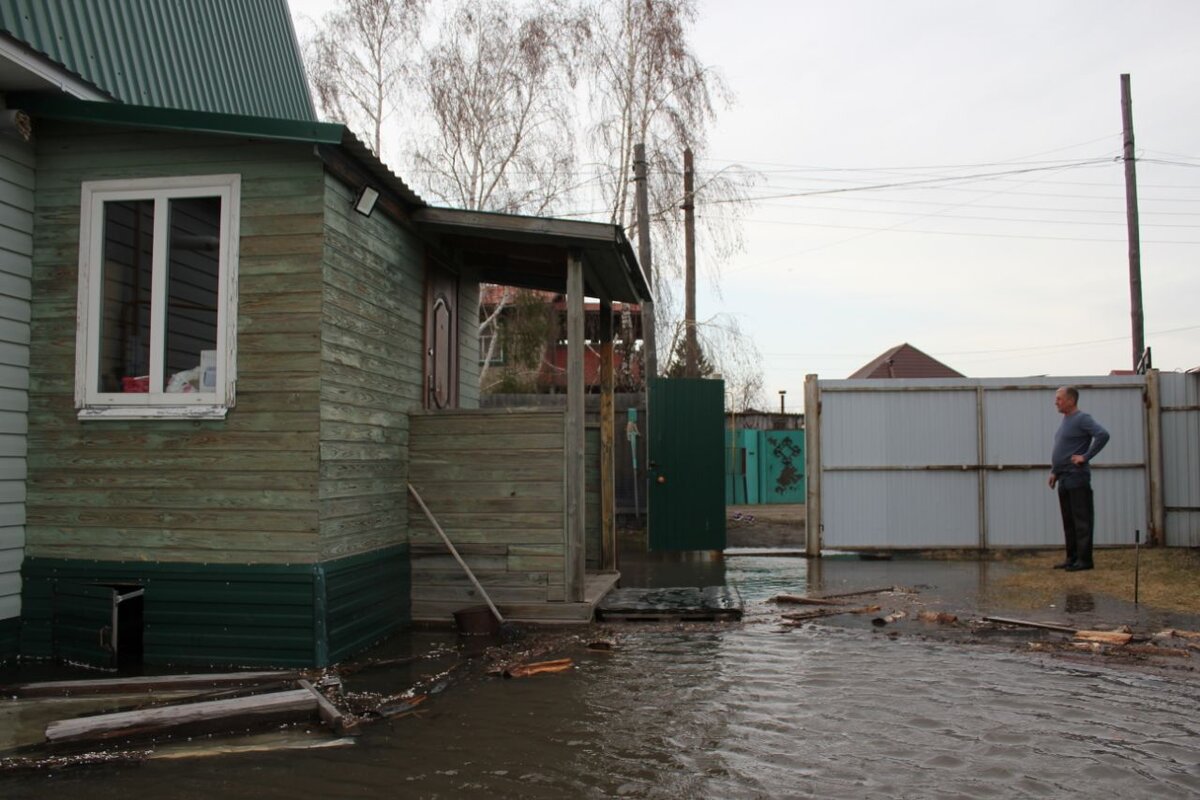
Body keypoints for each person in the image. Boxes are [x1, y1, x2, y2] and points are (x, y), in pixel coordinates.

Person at [1048, 386, 1110, 571]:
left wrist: (1085, 456)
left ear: (1071, 400)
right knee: (1069, 521)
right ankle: (1072, 558)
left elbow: (1103, 435)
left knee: (1081, 520)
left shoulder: (1082, 418)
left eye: (1059, 398)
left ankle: (1084, 560)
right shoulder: (1065, 421)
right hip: (1064, 478)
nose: (1056, 402)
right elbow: (1063, 450)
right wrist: (1054, 472)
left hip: (1077, 477)